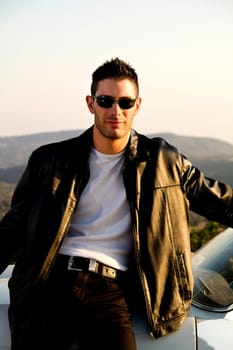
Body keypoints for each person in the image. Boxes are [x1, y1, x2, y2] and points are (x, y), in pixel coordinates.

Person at [0, 57, 233, 350]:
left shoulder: (163, 161)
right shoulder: (50, 160)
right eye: (106, 100)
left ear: (137, 106)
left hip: (109, 290)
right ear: (90, 103)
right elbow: (11, 229)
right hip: (49, 285)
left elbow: (219, 200)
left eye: (125, 102)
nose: (115, 111)